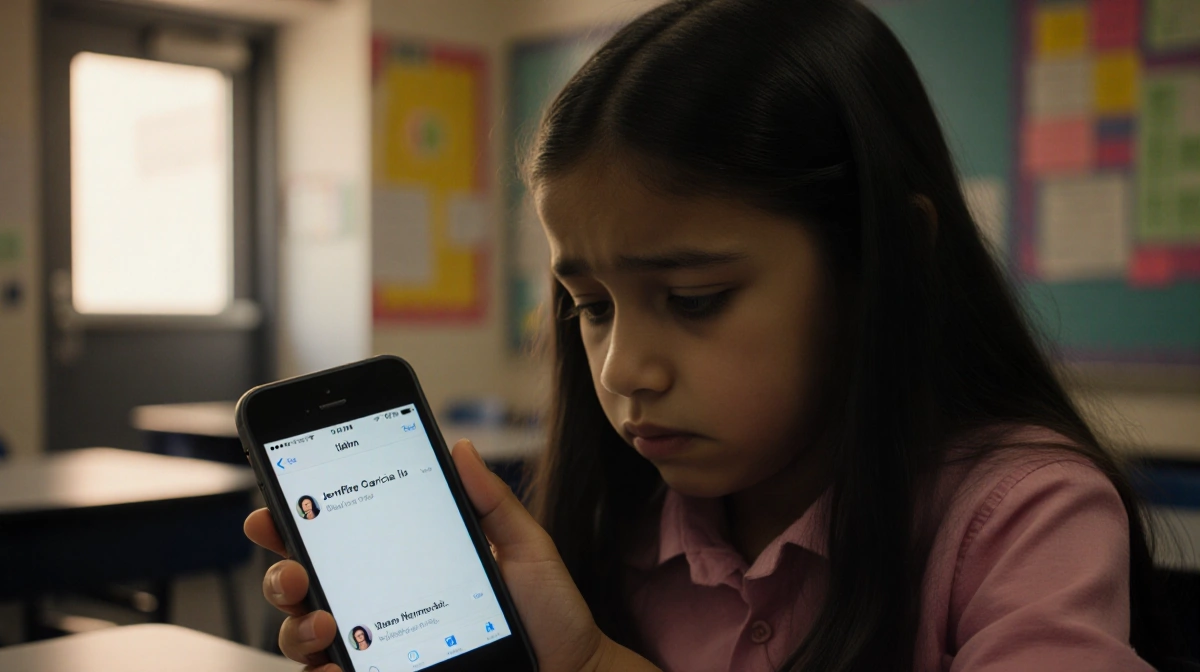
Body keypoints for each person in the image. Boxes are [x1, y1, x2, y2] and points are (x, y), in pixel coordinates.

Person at [244, 1, 1185, 670]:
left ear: (884, 261)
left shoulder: (1022, 517)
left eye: (694, 298)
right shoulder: (608, 525)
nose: (623, 370)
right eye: (591, 305)